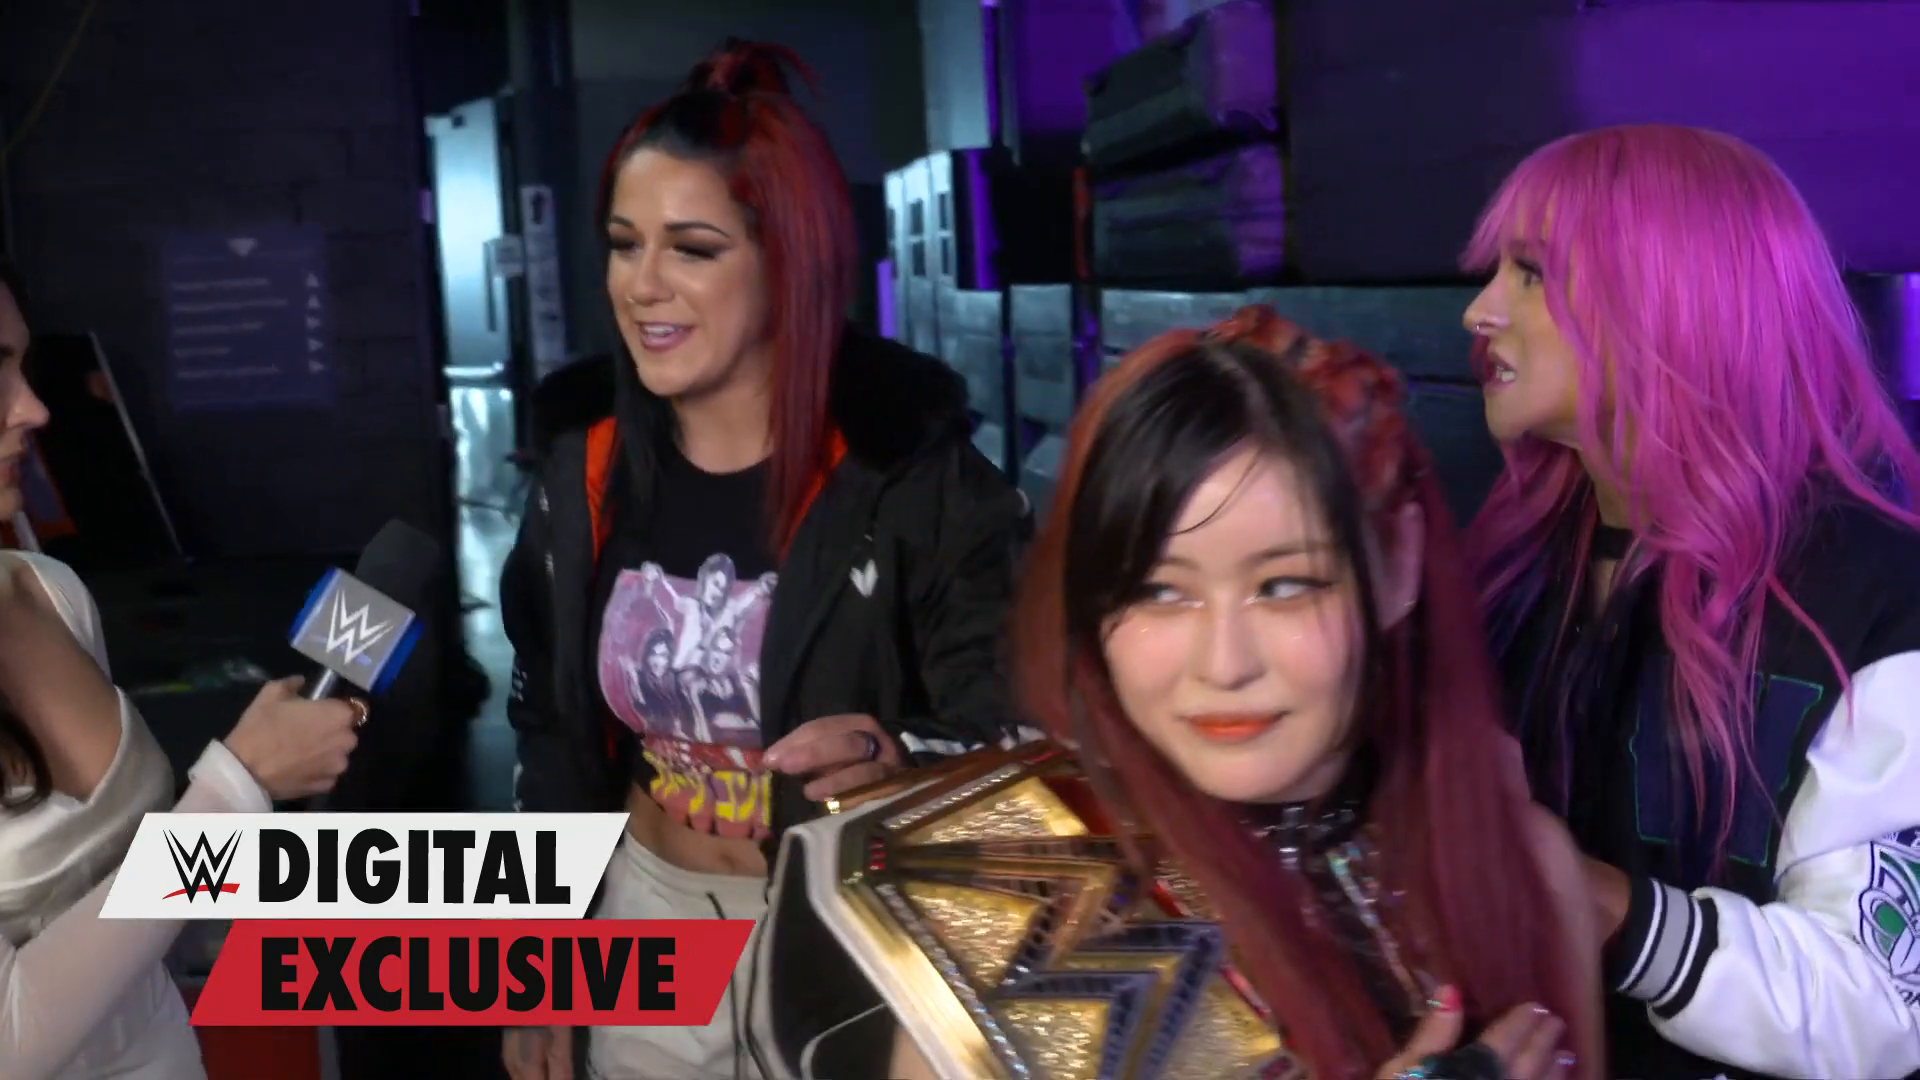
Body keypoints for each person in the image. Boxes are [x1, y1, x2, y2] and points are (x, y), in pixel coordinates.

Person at [750, 307, 1604, 1080]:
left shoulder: (1522, 872)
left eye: (1284, 585)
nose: (1224, 664)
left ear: (1398, 564)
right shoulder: (1012, 896)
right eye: (1159, 591)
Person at [498, 38, 1027, 1080]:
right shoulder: (583, 473)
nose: (643, 285)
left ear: (790, 262)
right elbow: (550, 733)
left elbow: (1015, 732)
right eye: (623, 245)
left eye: (692, 249)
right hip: (644, 929)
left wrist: (900, 757)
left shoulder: (918, 482)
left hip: (853, 946)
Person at [1462, 124, 1920, 1080]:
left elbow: (1885, 1005)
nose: (1479, 310)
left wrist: (1601, 906)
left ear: (1666, 299)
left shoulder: (1880, 599)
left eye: (1531, 274)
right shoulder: (1511, 567)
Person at [0, 259, 365, 1078]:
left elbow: (140, 908)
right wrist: (238, 786)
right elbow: (9, 1039)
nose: (34, 407)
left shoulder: (52, 595)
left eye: (23, 365)